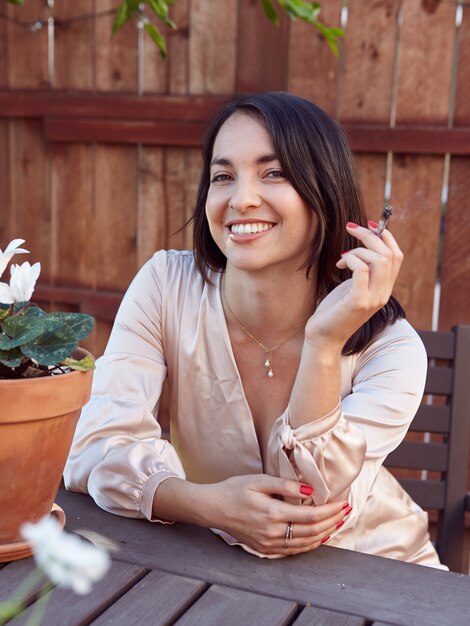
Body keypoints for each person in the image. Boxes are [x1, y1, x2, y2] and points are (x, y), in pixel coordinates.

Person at [64, 92, 445, 568]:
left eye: (274, 173)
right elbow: (94, 447)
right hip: (212, 565)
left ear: (325, 189)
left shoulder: (392, 351)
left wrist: (323, 344)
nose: (241, 199)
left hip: (372, 571)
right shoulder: (166, 286)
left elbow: (305, 510)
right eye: (223, 177)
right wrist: (202, 504)